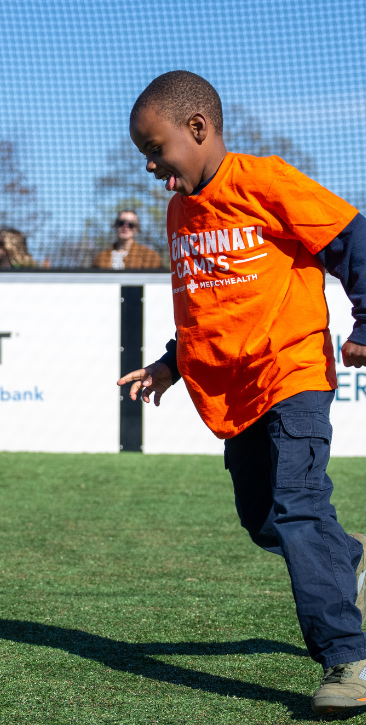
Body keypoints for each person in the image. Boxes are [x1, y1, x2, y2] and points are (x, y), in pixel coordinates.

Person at [119, 71, 366, 716]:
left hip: (292, 375)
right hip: (235, 396)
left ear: (197, 129)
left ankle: (348, 657)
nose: (150, 166)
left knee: (298, 507)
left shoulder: (265, 181)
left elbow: (356, 242)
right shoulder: (179, 213)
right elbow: (207, 309)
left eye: (156, 149)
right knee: (263, 522)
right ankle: (350, 570)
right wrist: (171, 365)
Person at [92, 210, 162, 269]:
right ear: (116, 225)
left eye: (131, 224)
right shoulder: (101, 257)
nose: (125, 226)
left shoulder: (149, 256)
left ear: (137, 229)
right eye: (121, 223)